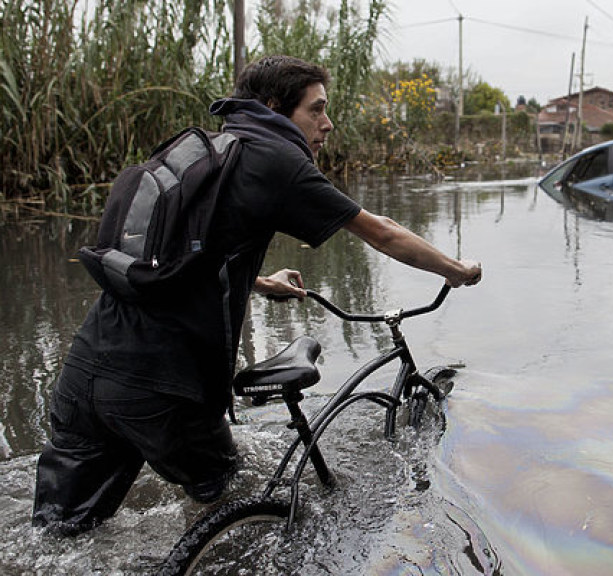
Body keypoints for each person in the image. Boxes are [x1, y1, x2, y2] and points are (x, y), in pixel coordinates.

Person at [32, 55, 482, 535]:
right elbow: (382, 233)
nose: (328, 125)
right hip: (164, 387)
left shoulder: (212, 151)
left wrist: (262, 281)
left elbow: (178, 259)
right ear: (274, 106)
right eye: (317, 110)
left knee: (59, 533)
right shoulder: (277, 159)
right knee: (230, 502)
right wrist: (457, 270)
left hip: (87, 368)